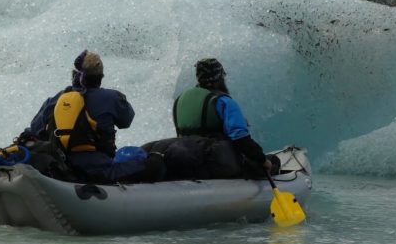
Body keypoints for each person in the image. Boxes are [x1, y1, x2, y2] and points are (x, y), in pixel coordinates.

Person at [23, 50, 163, 183]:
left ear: (74, 76)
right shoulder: (112, 98)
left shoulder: (55, 100)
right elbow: (126, 121)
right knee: (155, 164)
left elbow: (35, 130)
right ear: (99, 78)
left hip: (61, 167)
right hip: (98, 171)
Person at [171, 57, 279, 177]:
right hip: (216, 163)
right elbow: (241, 140)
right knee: (273, 161)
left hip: (185, 160)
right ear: (220, 78)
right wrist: (263, 161)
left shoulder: (180, 100)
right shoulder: (223, 101)